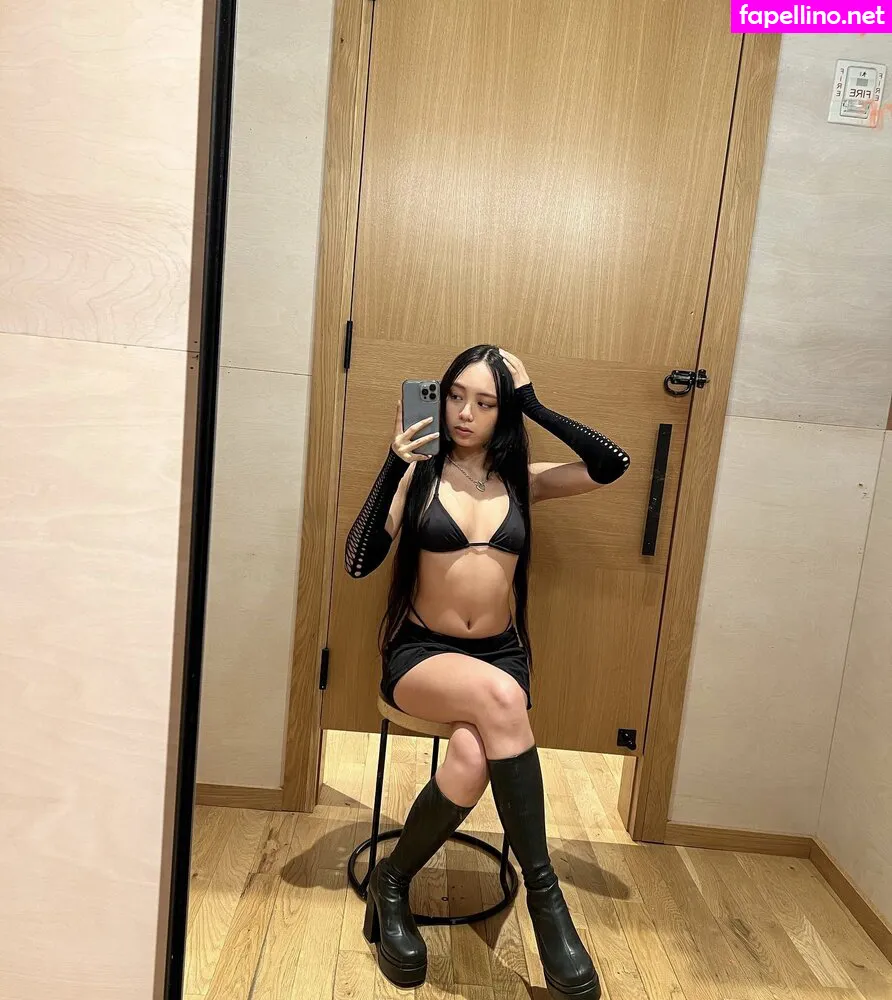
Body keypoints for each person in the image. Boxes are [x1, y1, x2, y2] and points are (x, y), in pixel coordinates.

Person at [344, 344, 630, 999]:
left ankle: (392, 881)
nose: (464, 413)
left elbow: (611, 465)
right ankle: (546, 899)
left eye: (486, 402)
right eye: (455, 396)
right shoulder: (419, 476)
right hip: (420, 655)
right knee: (503, 699)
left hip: (499, 655)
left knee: (473, 754)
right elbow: (359, 561)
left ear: (505, 413)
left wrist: (534, 404)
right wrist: (394, 463)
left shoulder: (523, 480)